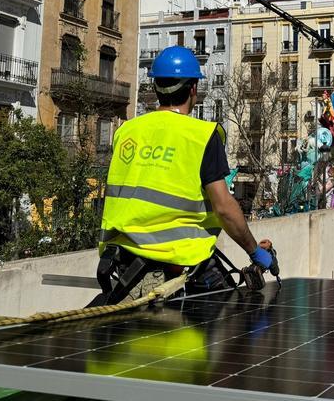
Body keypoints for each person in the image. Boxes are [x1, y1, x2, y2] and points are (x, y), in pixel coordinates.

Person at [93, 46, 272, 306]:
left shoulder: (127, 131)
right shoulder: (202, 135)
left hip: (121, 266)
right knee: (237, 318)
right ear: (193, 90)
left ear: (155, 88)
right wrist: (255, 252)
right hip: (178, 270)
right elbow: (224, 208)